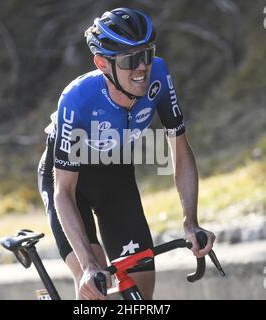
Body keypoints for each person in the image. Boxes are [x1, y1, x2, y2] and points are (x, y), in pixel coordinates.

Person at [38, 7, 216, 300]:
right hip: (71, 183)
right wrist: (88, 265)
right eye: (130, 60)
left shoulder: (159, 74)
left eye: (146, 54)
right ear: (102, 63)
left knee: (142, 291)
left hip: (115, 172)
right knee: (97, 286)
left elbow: (181, 153)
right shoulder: (77, 99)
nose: (142, 67)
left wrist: (190, 223)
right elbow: (63, 192)